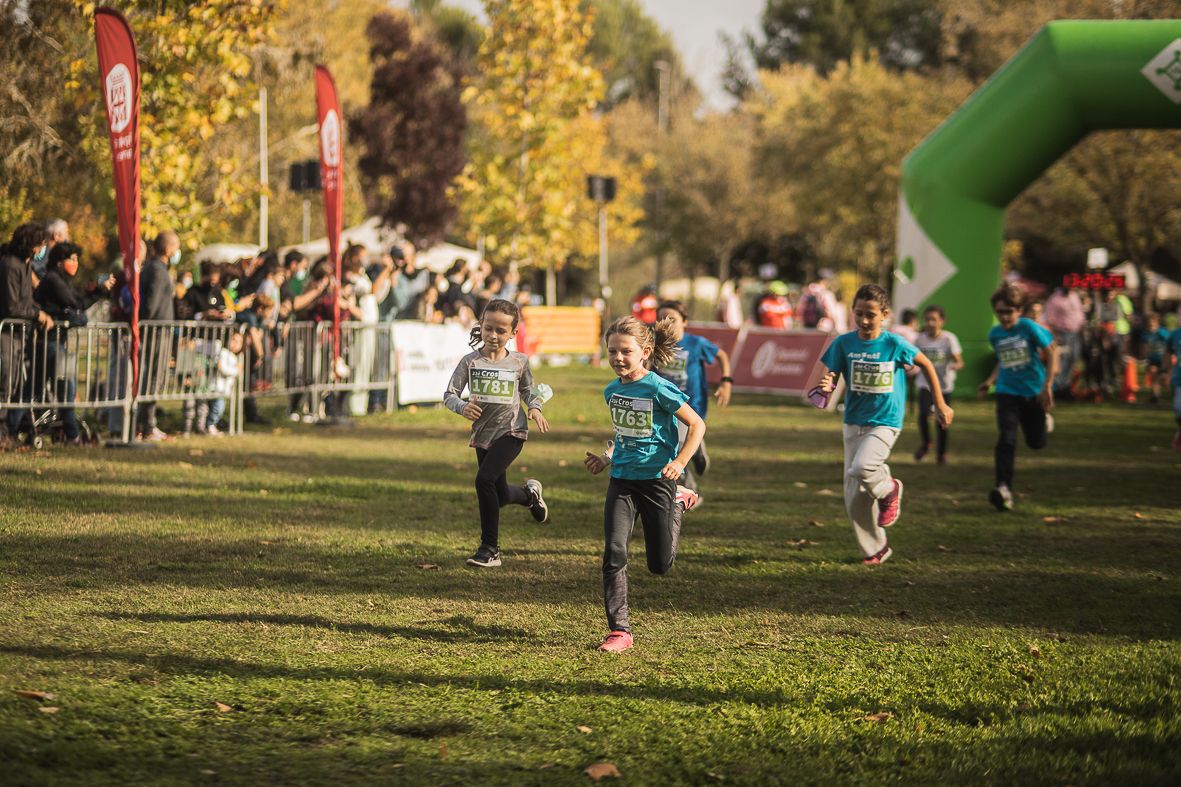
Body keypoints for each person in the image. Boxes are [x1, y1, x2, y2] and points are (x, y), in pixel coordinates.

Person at [583, 315, 705, 653]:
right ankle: (619, 630)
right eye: (612, 352)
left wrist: (680, 463)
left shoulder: (658, 387)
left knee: (659, 564)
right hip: (621, 480)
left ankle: (679, 501)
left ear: (645, 351)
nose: (618, 358)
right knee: (614, 551)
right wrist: (606, 458)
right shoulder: (612, 391)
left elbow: (697, 426)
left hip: (657, 481)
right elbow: (625, 435)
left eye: (625, 351)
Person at [811, 284, 953, 565]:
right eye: (859, 314)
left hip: (885, 421)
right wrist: (827, 383)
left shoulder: (894, 344)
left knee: (863, 467)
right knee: (853, 498)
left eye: (871, 315)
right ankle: (876, 550)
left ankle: (889, 488)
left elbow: (926, 365)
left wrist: (940, 403)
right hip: (853, 421)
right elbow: (832, 374)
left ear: (885, 315)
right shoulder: (843, 343)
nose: (864, 321)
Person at [443, 299, 551, 569]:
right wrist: (462, 407)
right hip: (483, 434)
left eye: (500, 331)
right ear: (481, 326)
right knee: (499, 494)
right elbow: (449, 395)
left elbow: (529, 391)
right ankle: (530, 496)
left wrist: (535, 409)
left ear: (513, 333)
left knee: (484, 480)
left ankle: (489, 549)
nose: (493, 335)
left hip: (512, 431)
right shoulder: (470, 361)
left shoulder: (520, 362)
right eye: (488, 328)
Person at [977, 284, 1058, 512]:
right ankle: (1003, 488)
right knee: (1007, 439)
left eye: (1009, 311)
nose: (1004, 316)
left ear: (1019, 310)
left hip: (1033, 391)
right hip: (1007, 392)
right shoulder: (995, 334)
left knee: (1036, 443)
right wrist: (990, 381)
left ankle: (1044, 420)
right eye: (1000, 312)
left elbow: (1052, 350)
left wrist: (1048, 385)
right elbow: (1003, 361)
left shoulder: (1029, 327)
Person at [34, 242, 115, 443]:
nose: (75, 263)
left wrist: (99, 291)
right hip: (49, 342)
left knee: (59, 388)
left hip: (56, 342)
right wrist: (78, 314)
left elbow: (78, 303)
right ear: (60, 262)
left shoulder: (61, 279)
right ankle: (71, 434)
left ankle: (68, 432)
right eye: (72, 259)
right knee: (64, 388)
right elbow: (75, 304)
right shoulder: (53, 280)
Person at [653, 300, 732, 492]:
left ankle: (687, 488)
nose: (667, 323)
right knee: (668, 444)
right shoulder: (657, 343)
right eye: (662, 319)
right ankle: (696, 450)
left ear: (685, 321)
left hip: (692, 404)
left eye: (672, 319)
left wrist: (726, 382)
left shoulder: (695, 344)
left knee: (678, 447)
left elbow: (721, 355)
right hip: (665, 404)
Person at [0, 223, 54, 438]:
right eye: (39, 245)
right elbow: (12, 305)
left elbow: (28, 300)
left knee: (13, 383)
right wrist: (36, 315)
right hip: (7, 333)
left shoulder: (25, 265)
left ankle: (8, 430)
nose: (41, 249)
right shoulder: (9, 265)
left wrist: (39, 312)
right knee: (4, 382)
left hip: (19, 334)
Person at [136, 231, 179, 441]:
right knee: (154, 376)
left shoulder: (156, 268)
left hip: (158, 329)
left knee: (155, 376)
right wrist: (145, 322)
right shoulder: (157, 271)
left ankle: (146, 423)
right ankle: (147, 424)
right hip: (156, 330)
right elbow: (151, 303)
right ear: (169, 249)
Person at [912, 305, 963, 464]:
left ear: (942, 321)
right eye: (927, 319)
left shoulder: (949, 339)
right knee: (922, 416)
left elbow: (959, 361)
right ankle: (926, 442)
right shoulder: (920, 339)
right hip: (924, 383)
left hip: (944, 385)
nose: (930, 323)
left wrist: (955, 366)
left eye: (934, 319)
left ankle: (942, 454)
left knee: (942, 420)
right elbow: (912, 360)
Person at [1043, 286, 1086, 396]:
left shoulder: (1074, 296)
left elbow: (1079, 313)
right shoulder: (1055, 299)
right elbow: (1050, 318)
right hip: (1062, 333)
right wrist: (1054, 335)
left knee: (1074, 358)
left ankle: (1066, 385)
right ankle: (1057, 387)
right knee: (1062, 359)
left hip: (1075, 332)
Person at [205, 328, 245, 437]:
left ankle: (211, 425)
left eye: (240, 342)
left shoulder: (234, 356)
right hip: (217, 387)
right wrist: (237, 370)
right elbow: (222, 369)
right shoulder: (223, 352)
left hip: (224, 389)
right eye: (234, 340)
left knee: (218, 408)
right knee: (217, 408)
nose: (236, 344)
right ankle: (210, 425)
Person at [1143, 312, 1170, 405]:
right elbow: (1145, 347)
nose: (1151, 325)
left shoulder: (1162, 333)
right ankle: (1155, 396)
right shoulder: (1146, 334)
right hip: (1153, 359)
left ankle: (1174, 396)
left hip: (1163, 359)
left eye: (1153, 323)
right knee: (1153, 374)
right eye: (1149, 323)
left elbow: (1169, 343)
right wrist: (1146, 358)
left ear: (1157, 323)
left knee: (1164, 379)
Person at [1168, 324, 1181, 452]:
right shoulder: (1176, 334)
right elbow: (1168, 352)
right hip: (1179, 377)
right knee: (1178, 409)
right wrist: (1167, 372)